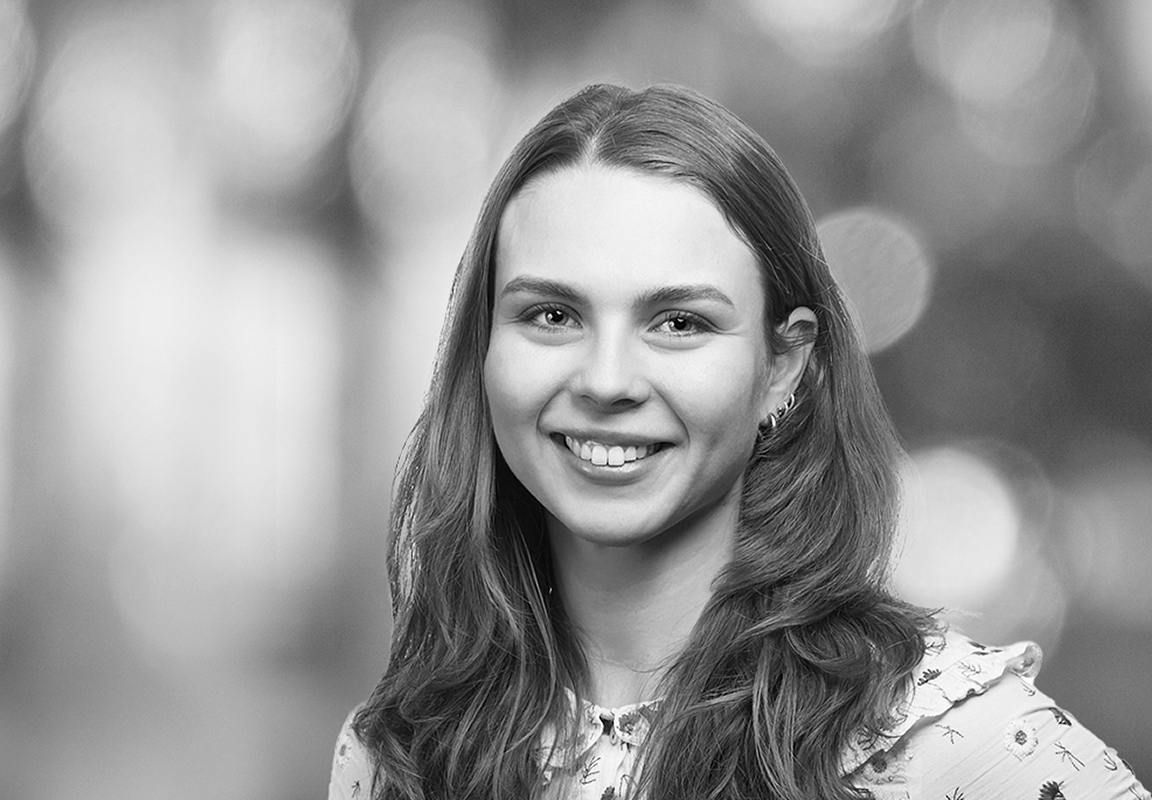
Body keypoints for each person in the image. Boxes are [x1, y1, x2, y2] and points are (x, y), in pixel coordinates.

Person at [328, 84, 1147, 800]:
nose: (606, 380)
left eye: (679, 323)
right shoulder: (397, 752)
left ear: (783, 365)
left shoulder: (934, 738)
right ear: (484, 346)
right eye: (552, 315)